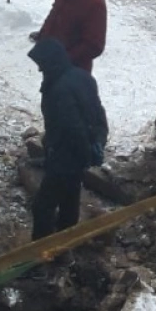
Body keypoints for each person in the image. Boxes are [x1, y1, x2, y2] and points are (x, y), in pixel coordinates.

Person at [26, 38, 107, 241]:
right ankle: (64, 246)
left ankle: (41, 253)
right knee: (69, 203)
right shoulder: (83, 77)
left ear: (50, 63)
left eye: (41, 64)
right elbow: (98, 114)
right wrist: (97, 144)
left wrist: (56, 153)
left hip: (65, 156)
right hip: (79, 155)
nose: (39, 69)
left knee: (42, 206)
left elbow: (71, 128)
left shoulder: (58, 89)